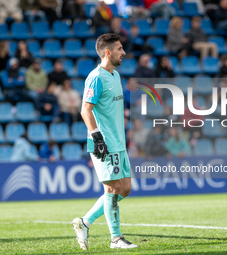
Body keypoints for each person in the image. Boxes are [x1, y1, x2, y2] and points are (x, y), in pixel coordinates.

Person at [72, 33, 138, 250]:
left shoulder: (115, 75)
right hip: (105, 143)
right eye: (119, 48)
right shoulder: (95, 77)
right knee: (112, 189)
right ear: (108, 52)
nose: (124, 52)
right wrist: (97, 137)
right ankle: (116, 238)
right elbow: (85, 109)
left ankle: (84, 222)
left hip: (119, 142)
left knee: (124, 189)